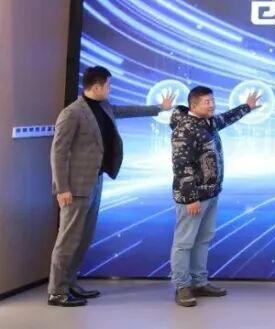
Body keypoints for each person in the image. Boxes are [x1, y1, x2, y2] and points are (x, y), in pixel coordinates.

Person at [47, 66, 173, 307]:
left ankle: (70, 283)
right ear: (97, 86)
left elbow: (125, 111)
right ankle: (57, 291)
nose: (110, 89)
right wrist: (62, 188)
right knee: (68, 239)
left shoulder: (104, 106)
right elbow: (58, 153)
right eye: (108, 85)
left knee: (83, 238)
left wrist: (159, 108)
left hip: (95, 181)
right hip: (74, 187)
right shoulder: (72, 113)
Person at [170, 86, 258, 307]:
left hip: (210, 193)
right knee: (184, 242)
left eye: (212, 100)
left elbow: (226, 118)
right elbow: (182, 166)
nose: (212, 105)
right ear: (193, 105)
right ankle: (182, 286)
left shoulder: (207, 122)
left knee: (203, 239)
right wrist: (191, 198)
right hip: (193, 197)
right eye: (207, 102)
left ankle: (199, 282)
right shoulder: (185, 129)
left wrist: (246, 107)